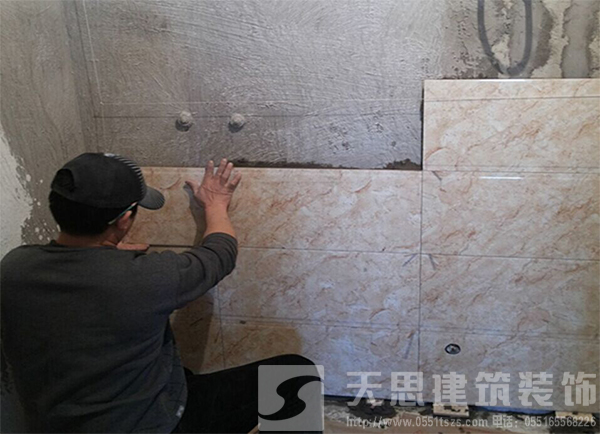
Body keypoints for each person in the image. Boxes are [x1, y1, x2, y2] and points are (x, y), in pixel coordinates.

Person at [1, 153, 320, 433]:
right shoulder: (146, 278)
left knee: (179, 373)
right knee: (295, 374)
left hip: (58, 426)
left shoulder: (14, 268)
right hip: (154, 424)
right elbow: (220, 253)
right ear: (125, 220)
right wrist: (216, 204)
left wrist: (102, 258)